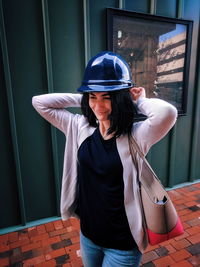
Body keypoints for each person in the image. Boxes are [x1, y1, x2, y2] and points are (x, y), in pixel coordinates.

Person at [32, 51, 177, 267]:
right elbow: (40, 102)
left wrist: (136, 100)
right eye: (93, 97)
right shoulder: (79, 127)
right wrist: (87, 96)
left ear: (119, 98)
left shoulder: (136, 135)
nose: (98, 107)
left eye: (107, 98)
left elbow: (167, 112)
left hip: (122, 244)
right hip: (89, 235)